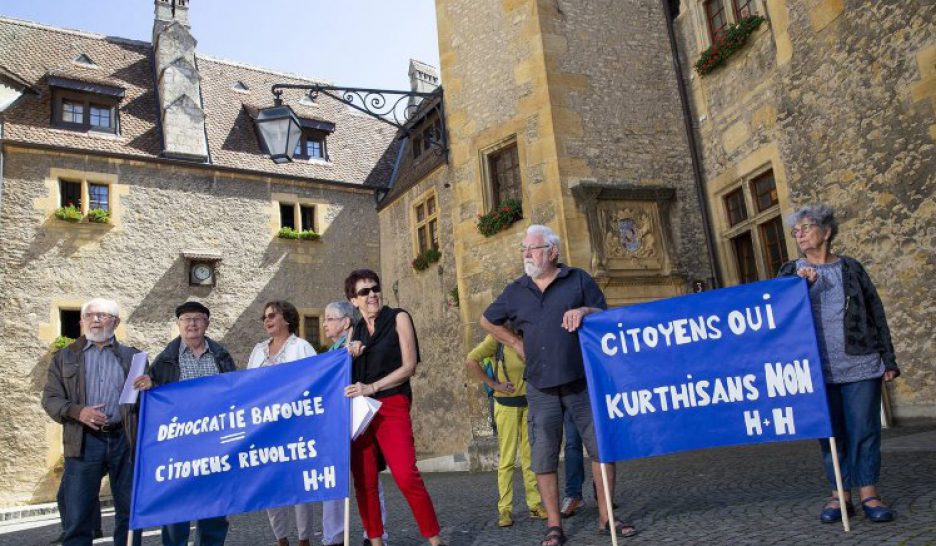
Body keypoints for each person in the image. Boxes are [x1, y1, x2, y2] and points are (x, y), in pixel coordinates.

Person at [481, 224, 637, 545]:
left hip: (582, 381)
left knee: (601, 449)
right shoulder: (516, 290)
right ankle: (554, 525)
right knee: (543, 456)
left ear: (552, 251)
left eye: (533, 248)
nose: (526, 254)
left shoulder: (577, 279)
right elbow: (486, 319)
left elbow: (604, 314)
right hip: (540, 386)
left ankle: (606, 517)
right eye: (523, 248)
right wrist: (513, 342)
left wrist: (583, 310)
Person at [778, 204, 900, 523]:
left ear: (827, 231)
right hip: (816, 368)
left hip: (860, 363)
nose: (800, 234)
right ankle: (839, 496)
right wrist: (797, 286)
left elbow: (876, 313)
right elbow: (776, 313)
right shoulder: (790, 272)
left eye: (806, 227)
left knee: (864, 430)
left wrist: (888, 358)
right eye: (796, 231)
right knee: (830, 434)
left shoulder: (852, 268)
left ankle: (868, 493)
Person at [342, 269, 446, 546]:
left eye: (375, 288)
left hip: (392, 403)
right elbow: (342, 374)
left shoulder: (398, 317)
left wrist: (372, 387)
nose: (372, 294)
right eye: (364, 292)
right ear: (354, 300)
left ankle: (435, 540)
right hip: (360, 410)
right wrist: (347, 356)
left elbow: (409, 366)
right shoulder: (355, 330)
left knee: (405, 474)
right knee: (364, 482)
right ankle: (375, 541)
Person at [41, 298, 145, 546]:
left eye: (103, 315)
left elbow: (148, 403)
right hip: (83, 440)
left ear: (116, 322)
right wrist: (78, 411)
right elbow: (51, 399)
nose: (96, 319)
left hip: (125, 440)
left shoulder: (134, 358)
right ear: (81, 321)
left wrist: (149, 387)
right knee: (78, 516)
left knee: (130, 513)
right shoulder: (64, 357)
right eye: (90, 315)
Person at [142, 301, 237, 546]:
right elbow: (153, 403)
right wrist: (150, 387)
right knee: (176, 508)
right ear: (178, 324)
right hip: (178, 446)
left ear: (207, 323)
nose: (191, 323)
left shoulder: (222, 356)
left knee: (214, 508)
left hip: (215, 444)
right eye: (186, 319)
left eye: (197, 318)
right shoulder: (164, 361)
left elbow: (235, 395)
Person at [247, 301, 324, 546]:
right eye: (264, 317)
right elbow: (248, 386)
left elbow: (316, 381)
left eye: (272, 315)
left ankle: (304, 539)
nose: (267, 320)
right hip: (266, 428)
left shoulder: (302, 347)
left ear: (287, 320)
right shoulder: (258, 350)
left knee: (299, 484)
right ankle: (280, 538)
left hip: (296, 426)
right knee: (271, 485)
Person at [324, 301, 391, 546]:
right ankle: (333, 536)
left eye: (330, 319)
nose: (325, 324)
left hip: (361, 420)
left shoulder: (358, 346)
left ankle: (375, 534)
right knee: (333, 480)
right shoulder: (332, 352)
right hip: (336, 423)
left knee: (368, 478)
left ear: (345, 322)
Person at [465, 329, 546, 528]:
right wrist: (494, 384)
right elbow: (471, 360)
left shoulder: (529, 334)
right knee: (507, 459)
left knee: (530, 457)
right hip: (506, 406)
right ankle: (505, 509)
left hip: (529, 403)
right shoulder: (496, 338)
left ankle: (534, 505)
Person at [560, 413, 585, 518]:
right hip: (570, 399)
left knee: (599, 444)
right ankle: (573, 495)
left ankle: (602, 494)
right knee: (572, 443)